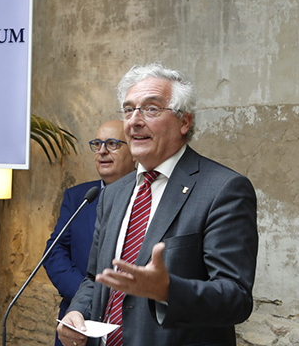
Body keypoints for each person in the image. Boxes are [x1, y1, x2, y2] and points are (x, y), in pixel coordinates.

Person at [56, 63, 258, 346]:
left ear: (184, 122)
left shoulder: (223, 189)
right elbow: (95, 278)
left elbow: (235, 298)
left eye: (151, 109)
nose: (134, 121)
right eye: (129, 110)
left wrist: (168, 290)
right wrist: (77, 311)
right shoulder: (114, 193)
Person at [43, 120, 136, 346]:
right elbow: (54, 253)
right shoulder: (80, 197)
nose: (102, 151)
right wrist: (89, 296)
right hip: (78, 320)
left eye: (112, 144)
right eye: (97, 144)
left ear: (134, 154)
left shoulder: (145, 199)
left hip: (128, 323)